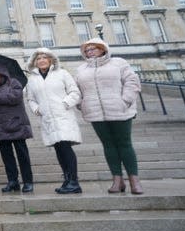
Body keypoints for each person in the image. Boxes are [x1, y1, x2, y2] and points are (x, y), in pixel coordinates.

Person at [75, 37, 143, 195]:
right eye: (86, 50)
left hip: (119, 110)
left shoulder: (118, 63)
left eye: (93, 49)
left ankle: (134, 180)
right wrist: (81, 104)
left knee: (125, 144)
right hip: (95, 112)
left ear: (103, 49)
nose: (89, 52)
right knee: (108, 146)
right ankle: (117, 180)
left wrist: (125, 100)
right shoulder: (81, 69)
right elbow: (76, 89)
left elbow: (132, 81)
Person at [26, 48, 83, 194]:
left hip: (63, 115)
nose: (42, 60)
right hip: (48, 118)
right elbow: (31, 99)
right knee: (59, 149)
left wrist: (65, 104)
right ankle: (67, 180)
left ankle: (74, 182)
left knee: (65, 147)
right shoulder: (32, 79)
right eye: (39, 58)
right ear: (35, 62)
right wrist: (37, 109)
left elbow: (75, 92)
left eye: (45, 57)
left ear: (51, 60)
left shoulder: (62, 73)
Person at [0, 63, 35, 193]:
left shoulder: (14, 83)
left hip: (16, 124)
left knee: (22, 155)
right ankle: (12, 181)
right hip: (1, 127)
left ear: (2, 73)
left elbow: (15, 98)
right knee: (7, 157)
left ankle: (28, 182)